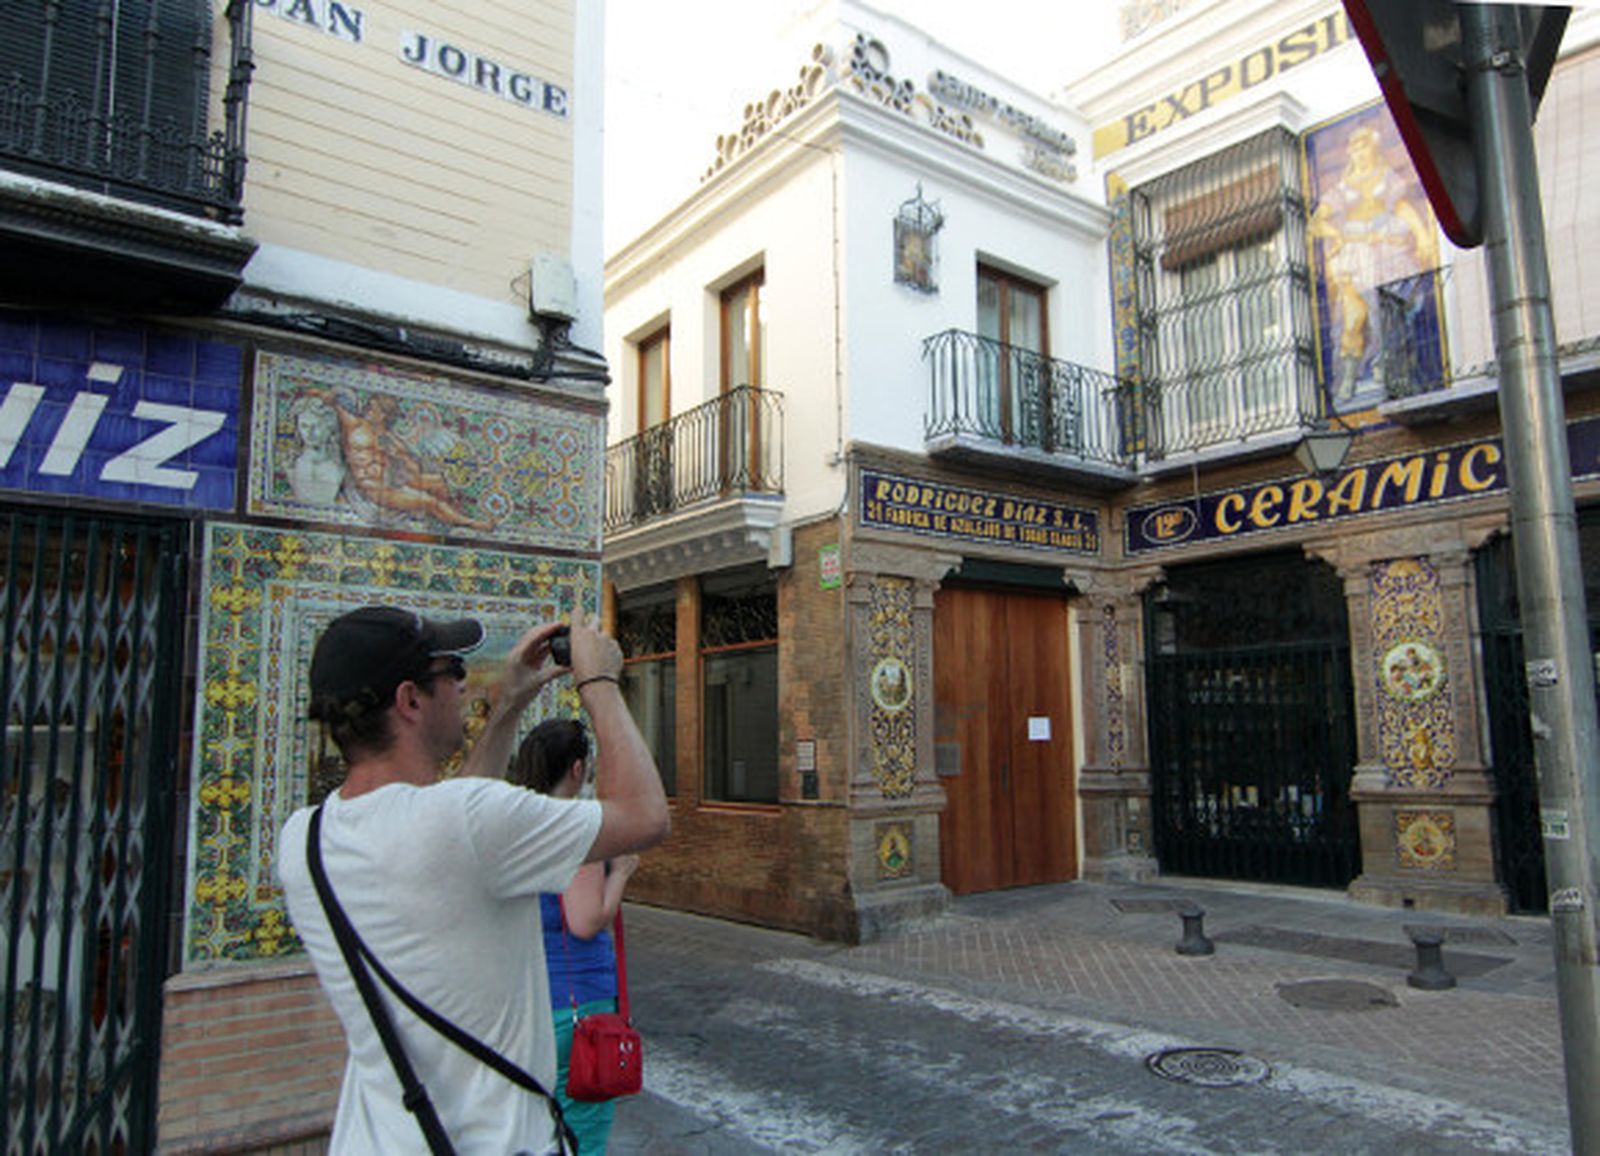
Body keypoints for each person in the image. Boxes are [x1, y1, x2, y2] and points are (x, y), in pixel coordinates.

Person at [277, 605, 669, 1155]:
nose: (464, 684)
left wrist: (509, 705)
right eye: (450, 673)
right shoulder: (466, 820)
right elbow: (646, 814)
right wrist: (600, 681)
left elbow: (447, 826)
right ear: (410, 700)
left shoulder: (303, 840)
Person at [510, 718, 640, 1155]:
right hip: (578, 1005)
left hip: (533, 1004)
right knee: (582, 1137)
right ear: (578, 768)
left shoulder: (518, 827)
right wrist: (620, 875)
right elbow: (586, 921)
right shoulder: (572, 826)